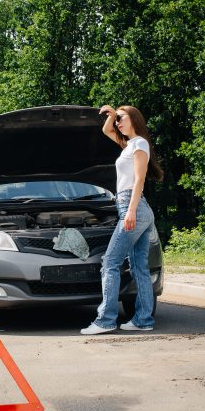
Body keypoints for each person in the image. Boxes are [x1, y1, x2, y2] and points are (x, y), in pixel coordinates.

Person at [81, 105, 164, 335]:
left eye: (121, 118)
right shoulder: (128, 145)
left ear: (134, 119)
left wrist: (130, 211)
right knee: (139, 267)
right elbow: (106, 131)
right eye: (117, 119)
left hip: (133, 206)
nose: (118, 123)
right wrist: (111, 113)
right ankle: (143, 320)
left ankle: (106, 320)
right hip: (134, 207)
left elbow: (139, 180)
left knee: (110, 262)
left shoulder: (139, 144)